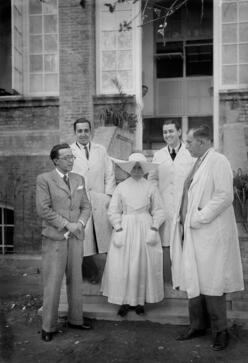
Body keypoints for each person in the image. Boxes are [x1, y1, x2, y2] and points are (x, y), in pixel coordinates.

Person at [176, 125, 244, 351]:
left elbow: (225, 195)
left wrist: (200, 217)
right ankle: (197, 326)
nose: (186, 145)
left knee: (213, 283)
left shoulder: (218, 161)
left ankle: (221, 331)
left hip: (210, 233)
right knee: (194, 280)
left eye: (189, 141)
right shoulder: (198, 162)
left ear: (203, 142)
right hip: (194, 233)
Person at [36, 143, 92, 342]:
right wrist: (68, 225)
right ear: (56, 160)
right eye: (67, 157)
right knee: (52, 282)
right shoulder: (44, 179)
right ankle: (48, 327)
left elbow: (86, 206)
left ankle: (76, 320)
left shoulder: (79, 179)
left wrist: (80, 223)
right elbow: (43, 209)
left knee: (76, 280)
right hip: (55, 238)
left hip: (76, 238)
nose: (71, 160)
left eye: (72, 157)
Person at [101, 153, 165, 316]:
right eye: (134, 167)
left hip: (144, 226)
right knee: (124, 265)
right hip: (126, 227)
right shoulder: (121, 187)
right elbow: (113, 210)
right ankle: (124, 301)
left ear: (144, 170)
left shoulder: (151, 186)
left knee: (142, 265)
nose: (137, 170)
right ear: (129, 169)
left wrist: (154, 228)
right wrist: (118, 228)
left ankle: (139, 302)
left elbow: (159, 210)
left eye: (140, 167)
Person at [148, 119, 195, 288]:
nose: (168, 135)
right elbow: (152, 179)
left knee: (185, 242)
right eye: (165, 132)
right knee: (166, 242)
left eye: (171, 131)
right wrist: (155, 200)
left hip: (184, 205)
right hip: (164, 205)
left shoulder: (190, 154)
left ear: (179, 132)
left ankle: (185, 279)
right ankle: (168, 280)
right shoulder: (158, 155)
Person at [70, 118, 116, 281]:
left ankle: (108, 275)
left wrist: (108, 196)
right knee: (84, 239)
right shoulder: (69, 152)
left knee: (103, 237)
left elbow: (109, 173)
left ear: (91, 132)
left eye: (86, 130)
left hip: (99, 199)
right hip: (80, 202)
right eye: (79, 131)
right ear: (75, 133)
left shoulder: (100, 150)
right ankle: (90, 273)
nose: (83, 134)